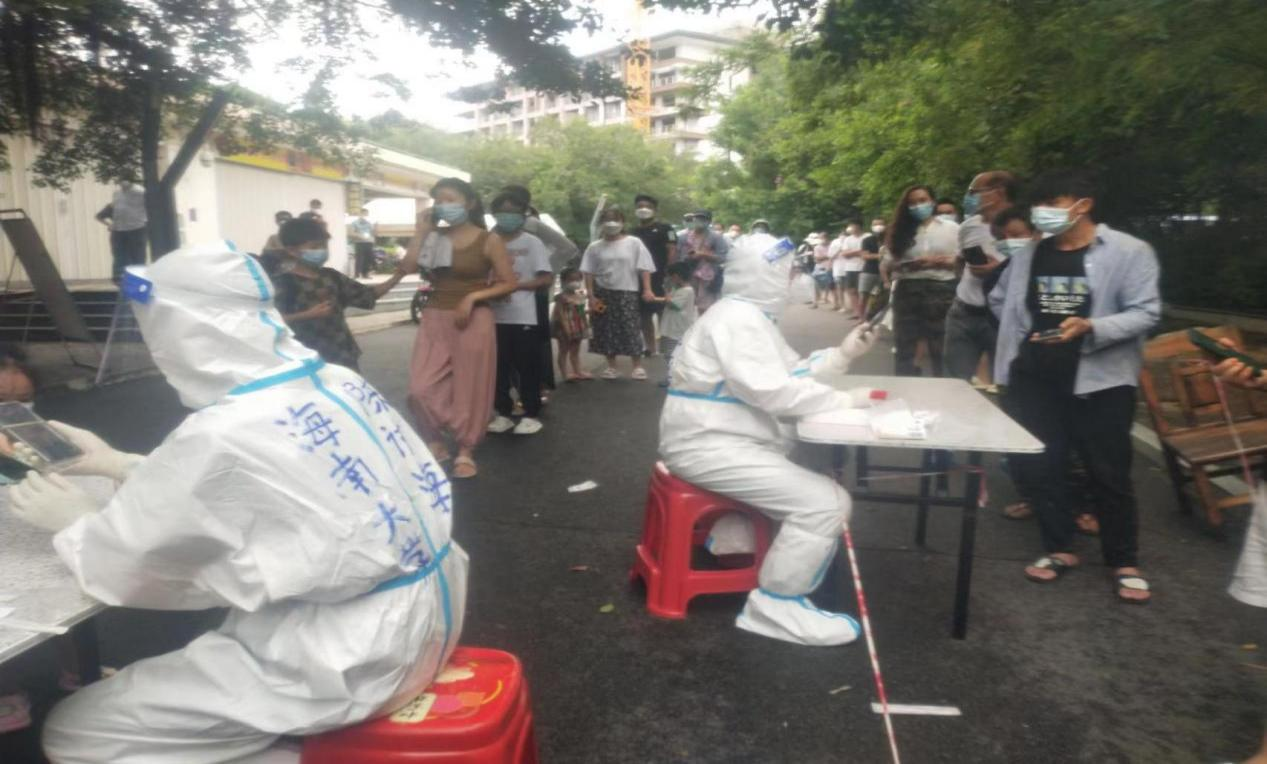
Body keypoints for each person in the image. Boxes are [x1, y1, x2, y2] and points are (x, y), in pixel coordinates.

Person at [9, 242, 467, 763]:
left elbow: (144, 561)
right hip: (425, 616)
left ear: (180, 329)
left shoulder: (227, 429)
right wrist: (117, 463)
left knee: (77, 731)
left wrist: (78, 526)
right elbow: (272, 494)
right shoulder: (336, 382)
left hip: (344, 655)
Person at [659, 231, 879, 646]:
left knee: (807, 458)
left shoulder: (747, 316)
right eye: (785, 270)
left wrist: (842, 355)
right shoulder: (739, 320)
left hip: (719, 438)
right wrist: (842, 400)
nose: (792, 277)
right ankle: (776, 605)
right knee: (826, 503)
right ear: (768, 274)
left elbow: (789, 374)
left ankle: (733, 538)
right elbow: (772, 391)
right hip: (709, 444)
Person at [990, 169, 1160, 603]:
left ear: (1083, 205)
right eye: (1038, 204)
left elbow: (1146, 312)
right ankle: (1059, 548)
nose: (1041, 212)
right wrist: (1018, 346)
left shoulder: (1129, 251)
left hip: (1100, 381)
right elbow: (1002, 300)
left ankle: (1124, 561)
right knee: (1043, 468)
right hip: (1035, 378)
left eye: (1052, 203)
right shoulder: (1029, 253)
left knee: (1108, 472)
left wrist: (1092, 327)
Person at [401, 178, 517, 480]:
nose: (443, 205)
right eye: (438, 200)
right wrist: (420, 232)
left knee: (471, 387)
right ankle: (435, 437)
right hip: (435, 317)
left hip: (473, 319)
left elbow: (508, 283)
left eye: (450, 199)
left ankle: (466, 448)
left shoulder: (488, 240)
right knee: (420, 389)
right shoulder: (433, 237)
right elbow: (408, 268)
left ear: (470, 203)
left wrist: (472, 297)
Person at [270, 217, 406, 372]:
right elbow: (269, 321)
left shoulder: (331, 277)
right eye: (315, 247)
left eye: (324, 245)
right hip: (305, 361)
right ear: (291, 250)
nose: (322, 251)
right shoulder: (281, 282)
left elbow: (368, 295)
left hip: (342, 355)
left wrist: (399, 275)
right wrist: (307, 315)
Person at [487, 193, 553, 436]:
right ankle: (503, 413)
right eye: (502, 211)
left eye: (513, 211)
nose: (508, 216)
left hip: (524, 315)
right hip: (493, 315)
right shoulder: (487, 241)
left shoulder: (532, 242)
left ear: (523, 215)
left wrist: (515, 286)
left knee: (527, 366)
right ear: (494, 214)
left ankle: (530, 413)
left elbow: (546, 277)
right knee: (498, 367)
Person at [944, 171, 1019, 383]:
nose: (968, 197)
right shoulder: (968, 226)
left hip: (1002, 317)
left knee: (1002, 383)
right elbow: (960, 261)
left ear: (998, 192)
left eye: (973, 192)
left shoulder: (1024, 227)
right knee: (954, 382)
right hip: (963, 312)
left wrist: (999, 270)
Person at [883, 185, 960, 376]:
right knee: (905, 347)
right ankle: (905, 386)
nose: (918, 205)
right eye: (912, 203)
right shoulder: (899, 231)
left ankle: (944, 387)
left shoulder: (953, 229)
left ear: (932, 201)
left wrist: (946, 261)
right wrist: (910, 265)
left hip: (942, 290)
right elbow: (888, 264)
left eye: (923, 200)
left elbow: (964, 260)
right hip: (908, 289)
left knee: (941, 347)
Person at [580, 208, 657, 380]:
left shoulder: (633, 242)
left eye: (615, 219)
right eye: (606, 219)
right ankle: (612, 366)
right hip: (602, 292)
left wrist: (647, 289)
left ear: (622, 222)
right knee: (605, 329)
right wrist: (590, 295)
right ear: (601, 223)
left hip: (627, 291)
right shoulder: (595, 247)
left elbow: (644, 267)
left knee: (630, 327)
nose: (611, 223)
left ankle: (637, 366)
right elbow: (588, 271)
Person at [629, 194, 678, 358]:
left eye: (648, 207)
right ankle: (650, 348)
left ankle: (667, 347)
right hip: (639, 277)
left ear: (655, 210)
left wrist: (670, 272)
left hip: (660, 275)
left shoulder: (667, 229)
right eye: (640, 206)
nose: (643, 210)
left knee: (664, 311)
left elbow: (672, 249)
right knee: (644, 314)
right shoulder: (632, 232)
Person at [652, 261, 697, 387]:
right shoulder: (679, 289)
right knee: (669, 354)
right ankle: (673, 376)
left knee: (672, 354)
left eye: (670, 277)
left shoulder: (687, 290)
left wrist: (666, 292)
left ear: (676, 276)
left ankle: (673, 377)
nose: (670, 279)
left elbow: (674, 304)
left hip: (676, 329)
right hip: (671, 327)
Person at [95, 181, 148, 283]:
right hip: (118, 231)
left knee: (137, 256)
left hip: (136, 229)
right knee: (119, 257)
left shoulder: (140, 192)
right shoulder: (117, 193)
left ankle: (138, 279)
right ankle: (119, 278)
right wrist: (110, 224)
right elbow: (100, 215)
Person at [679, 210, 730, 313]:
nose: (700, 221)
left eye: (703, 219)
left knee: (705, 308)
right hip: (688, 276)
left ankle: (703, 323)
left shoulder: (716, 238)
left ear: (709, 221)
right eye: (697, 218)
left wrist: (703, 255)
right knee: (685, 307)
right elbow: (679, 256)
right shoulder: (684, 237)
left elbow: (722, 258)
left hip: (708, 278)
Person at [552, 267, 591, 382]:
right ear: (564, 281)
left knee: (575, 350)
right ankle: (565, 374)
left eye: (578, 280)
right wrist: (566, 328)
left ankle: (578, 371)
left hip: (578, 326)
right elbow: (559, 314)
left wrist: (587, 319)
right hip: (564, 327)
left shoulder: (580, 295)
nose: (575, 282)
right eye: (571, 280)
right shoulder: (561, 297)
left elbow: (581, 312)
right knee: (563, 350)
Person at [832, 223, 865, 315]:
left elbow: (867, 251)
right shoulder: (848, 239)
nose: (851, 228)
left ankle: (863, 312)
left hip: (864, 267)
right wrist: (859, 251)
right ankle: (857, 312)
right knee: (852, 290)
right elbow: (845, 254)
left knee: (863, 291)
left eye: (852, 226)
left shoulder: (867, 237)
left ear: (858, 226)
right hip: (850, 268)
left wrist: (851, 252)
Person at [857, 218, 885, 320]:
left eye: (880, 224)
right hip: (869, 271)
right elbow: (865, 256)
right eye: (875, 224)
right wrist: (880, 256)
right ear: (871, 227)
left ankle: (876, 319)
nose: (878, 226)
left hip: (886, 272)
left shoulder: (889, 239)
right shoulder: (867, 240)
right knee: (864, 295)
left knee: (882, 297)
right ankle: (861, 319)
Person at [349, 207, 377, 279]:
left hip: (369, 242)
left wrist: (375, 227)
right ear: (360, 214)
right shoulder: (355, 223)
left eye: (367, 214)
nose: (365, 216)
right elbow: (351, 233)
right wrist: (360, 235)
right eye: (364, 214)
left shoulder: (369, 223)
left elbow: (373, 233)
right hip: (359, 243)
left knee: (368, 258)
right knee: (359, 258)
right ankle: (356, 274)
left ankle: (365, 274)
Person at [809, 233, 833, 309]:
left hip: (830, 267)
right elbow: (817, 259)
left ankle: (826, 298)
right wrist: (828, 256)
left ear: (827, 238)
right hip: (819, 268)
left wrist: (824, 257)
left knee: (830, 285)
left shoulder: (832, 246)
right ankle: (815, 302)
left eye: (822, 238)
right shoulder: (817, 247)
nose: (820, 240)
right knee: (815, 285)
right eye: (819, 238)